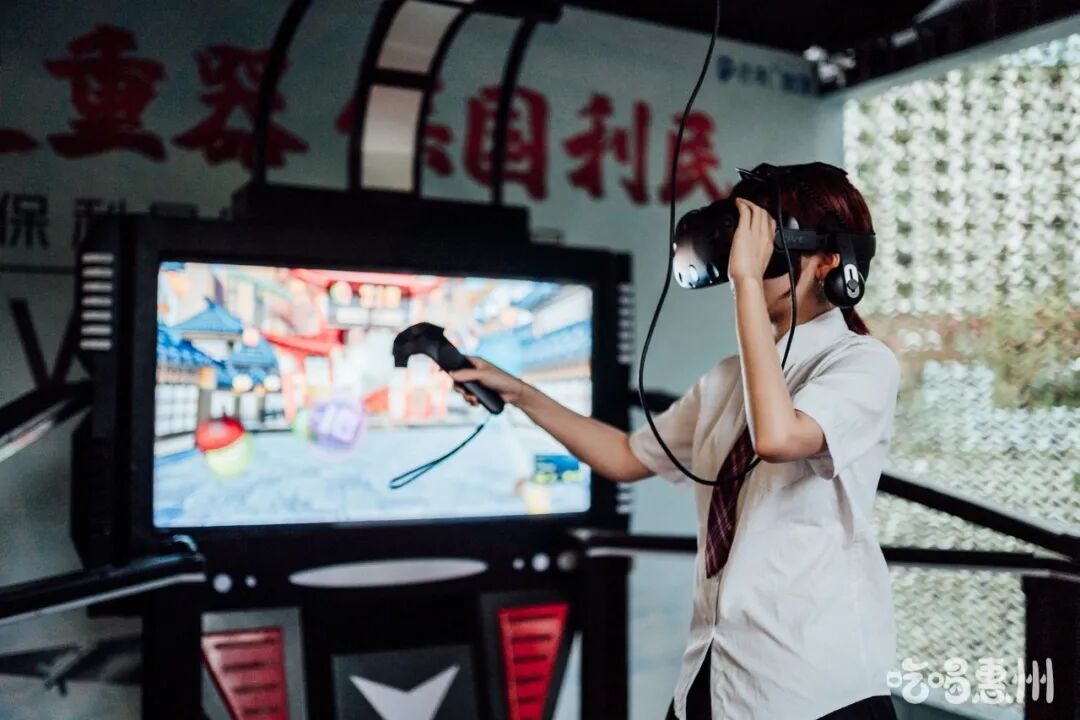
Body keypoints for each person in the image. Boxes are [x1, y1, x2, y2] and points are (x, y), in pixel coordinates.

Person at [449, 163, 901, 720]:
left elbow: (779, 436)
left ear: (830, 260)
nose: (745, 264)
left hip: (815, 688)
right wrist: (520, 393)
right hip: (713, 677)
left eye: (765, 250)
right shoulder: (727, 379)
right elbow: (625, 457)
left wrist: (743, 285)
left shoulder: (863, 364)